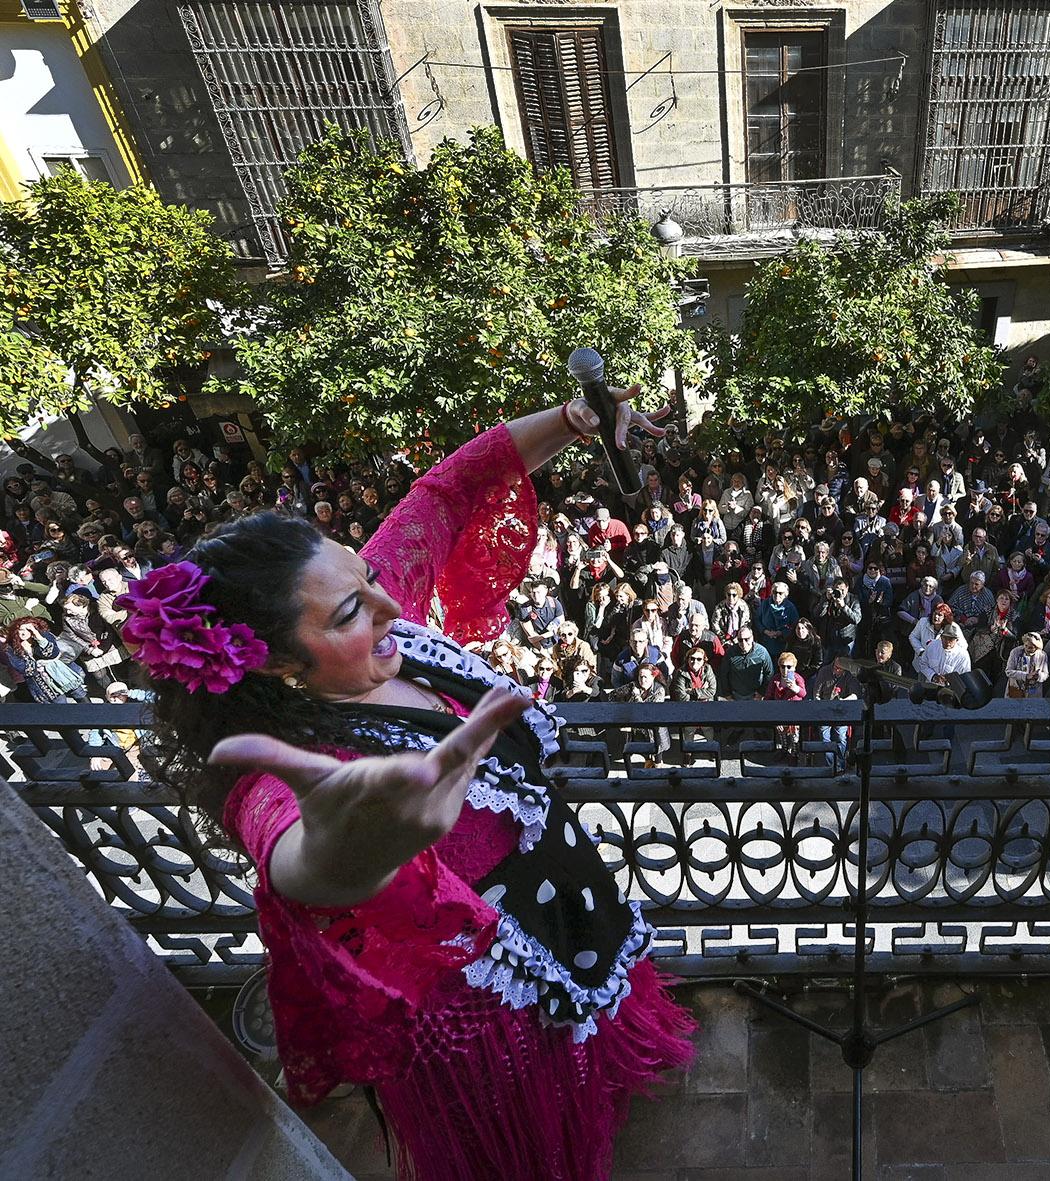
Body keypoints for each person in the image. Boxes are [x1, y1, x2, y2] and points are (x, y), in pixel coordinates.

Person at [120, 385, 691, 1179]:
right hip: (488, 1016)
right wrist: (348, 853)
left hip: (568, 912)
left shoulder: (377, 616)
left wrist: (571, 421)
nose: (391, 603)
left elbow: (448, 492)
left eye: (364, 575)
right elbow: (293, 854)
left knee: (599, 1088)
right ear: (282, 665)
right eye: (352, 608)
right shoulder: (276, 771)